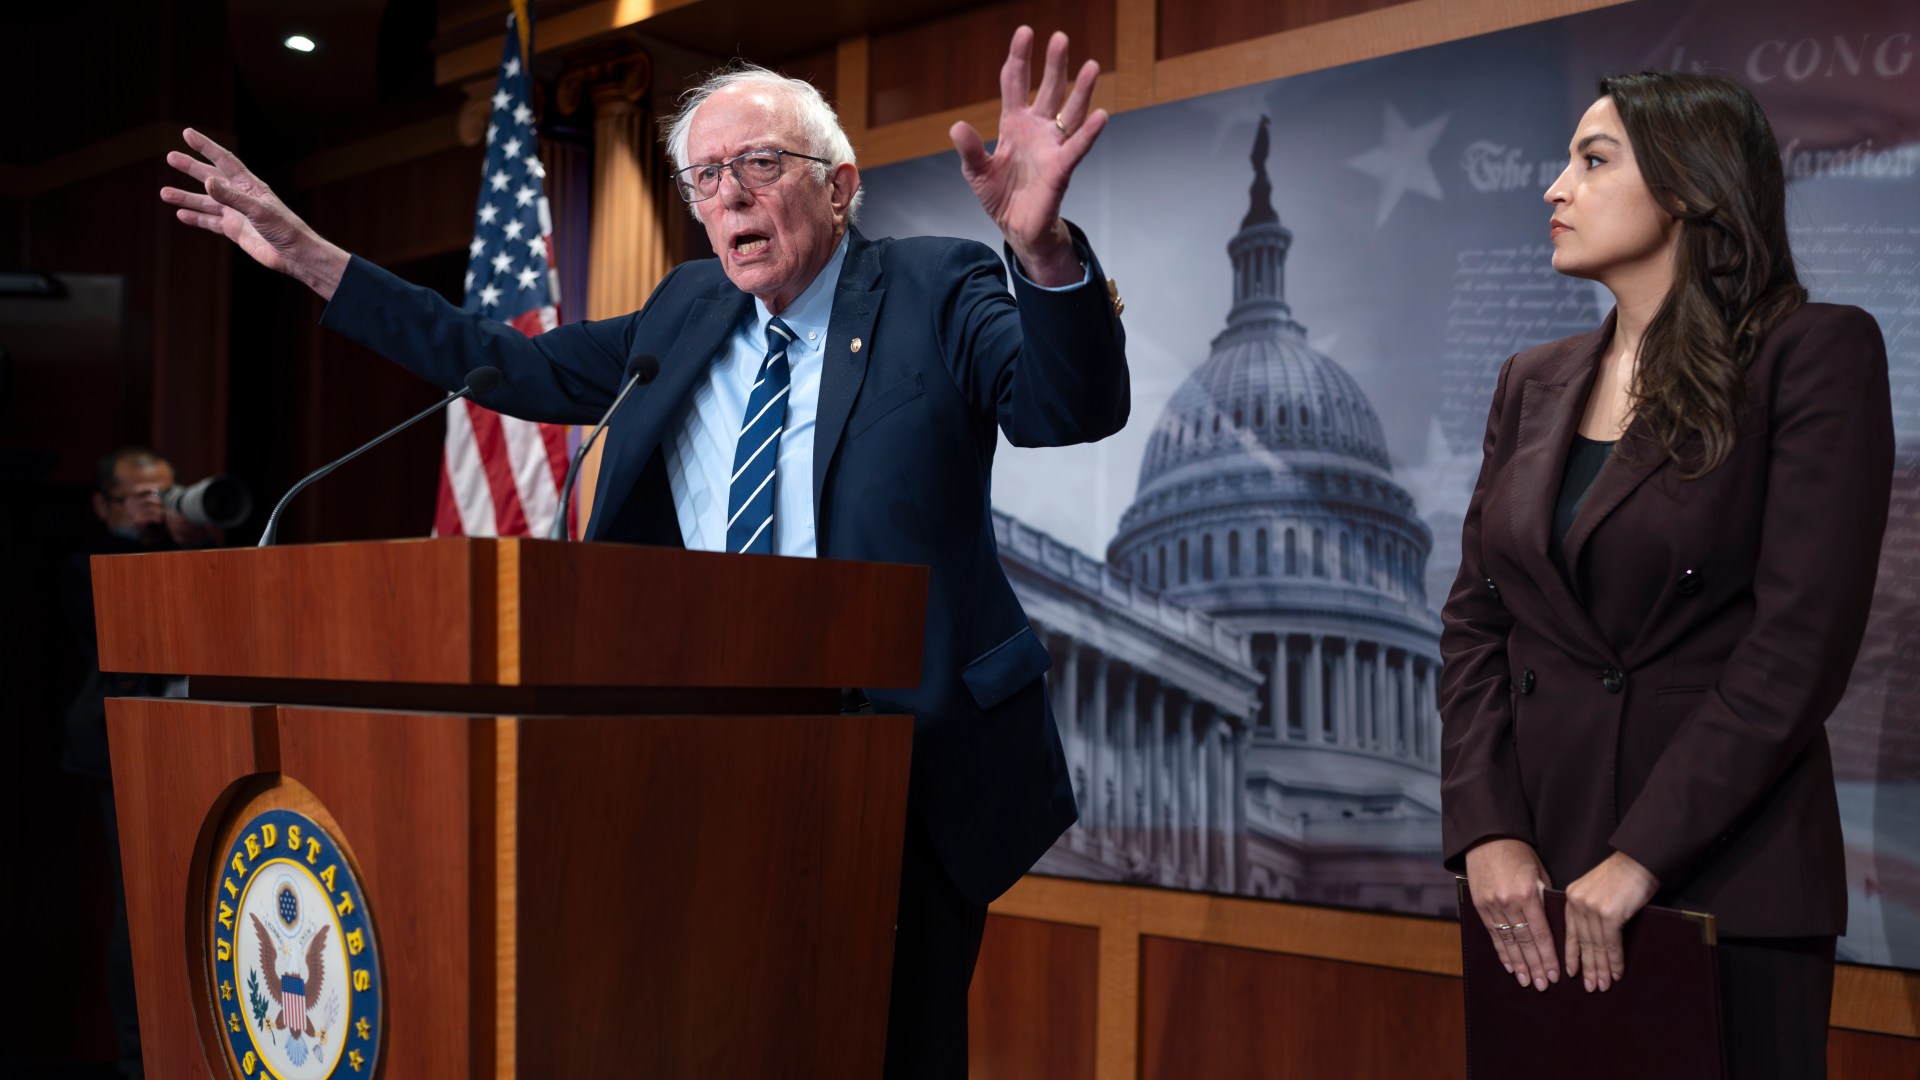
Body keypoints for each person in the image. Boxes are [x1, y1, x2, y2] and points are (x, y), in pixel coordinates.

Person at [161, 27, 1126, 1077]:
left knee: (888, 1050)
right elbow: (502, 362)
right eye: (706, 177)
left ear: (840, 186)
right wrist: (312, 258)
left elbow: (1066, 409)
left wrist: (1043, 253)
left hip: (904, 772)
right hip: (702, 767)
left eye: (761, 163)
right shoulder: (684, 310)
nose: (730, 194)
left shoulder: (935, 286)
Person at [1438, 71, 1893, 1078]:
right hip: (1534, 887)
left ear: (1689, 186)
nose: (1555, 187)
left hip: (1722, 875)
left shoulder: (1814, 353)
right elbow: (1476, 622)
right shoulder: (1530, 379)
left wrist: (1639, 857)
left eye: (1593, 161)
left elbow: (1798, 648)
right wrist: (1488, 832)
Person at [61, 447, 221, 1079]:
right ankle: (140, 1063)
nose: (154, 506)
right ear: (104, 505)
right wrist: (142, 542)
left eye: (164, 492)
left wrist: (192, 539)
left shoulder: (192, 551)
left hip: (206, 744)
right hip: (123, 756)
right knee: (142, 916)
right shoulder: (85, 564)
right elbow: (115, 635)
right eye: (138, 497)